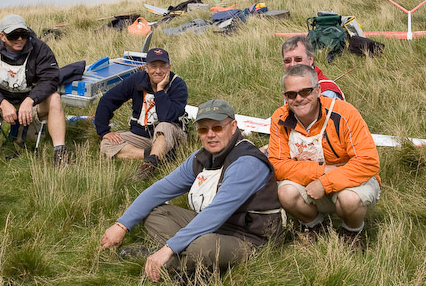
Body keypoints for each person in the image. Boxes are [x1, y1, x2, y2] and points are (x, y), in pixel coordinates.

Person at [101, 99, 283, 282]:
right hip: (216, 227)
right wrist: (122, 225)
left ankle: (170, 262)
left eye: (217, 128)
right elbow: (160, 189)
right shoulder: (201, 157)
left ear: (233, 127)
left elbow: (216, 213)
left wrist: (168, 248)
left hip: (249, 238)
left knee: (202, 246)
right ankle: (194, 263)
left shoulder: (246, 162)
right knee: (154, 214)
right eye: (204, 129)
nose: (210, 135)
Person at [268, 65, 380, 245]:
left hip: (349, 181)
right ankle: (315, 227)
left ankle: (352, 232)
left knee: (350, 200)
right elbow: (277, 165)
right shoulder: (279, 119)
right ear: (285, 97)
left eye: (305, 91)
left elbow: (368, 162)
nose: (299, 99)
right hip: (310, 182)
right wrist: (322, 171)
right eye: (291, 94)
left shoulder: (345, 113)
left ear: (318, 90)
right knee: (285, 192)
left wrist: (324, 183)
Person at [0, 14, 69, 181]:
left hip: (33, 105)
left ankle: (60, 154)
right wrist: (2, 103)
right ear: (2, 36)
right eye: (14, 35)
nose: (20, 39)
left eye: (24, 34)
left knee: (55, 99)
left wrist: (30, 100)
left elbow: (50, 79)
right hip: (2, 106)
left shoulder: (40, 49)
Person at [94, 48, 188, 180]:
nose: (158, 71)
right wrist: (104, 131)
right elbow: (107, 100)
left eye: (163, 67)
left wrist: (160, 90)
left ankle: (149, 164)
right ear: (146, 68)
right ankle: (153, 155)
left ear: (169, 67)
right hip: (141, 135)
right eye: (153, 67)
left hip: (170, 134)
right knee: (106, 144)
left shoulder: (178, 85)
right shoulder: (137, 80)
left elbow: (166, 117)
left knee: (163, 126)